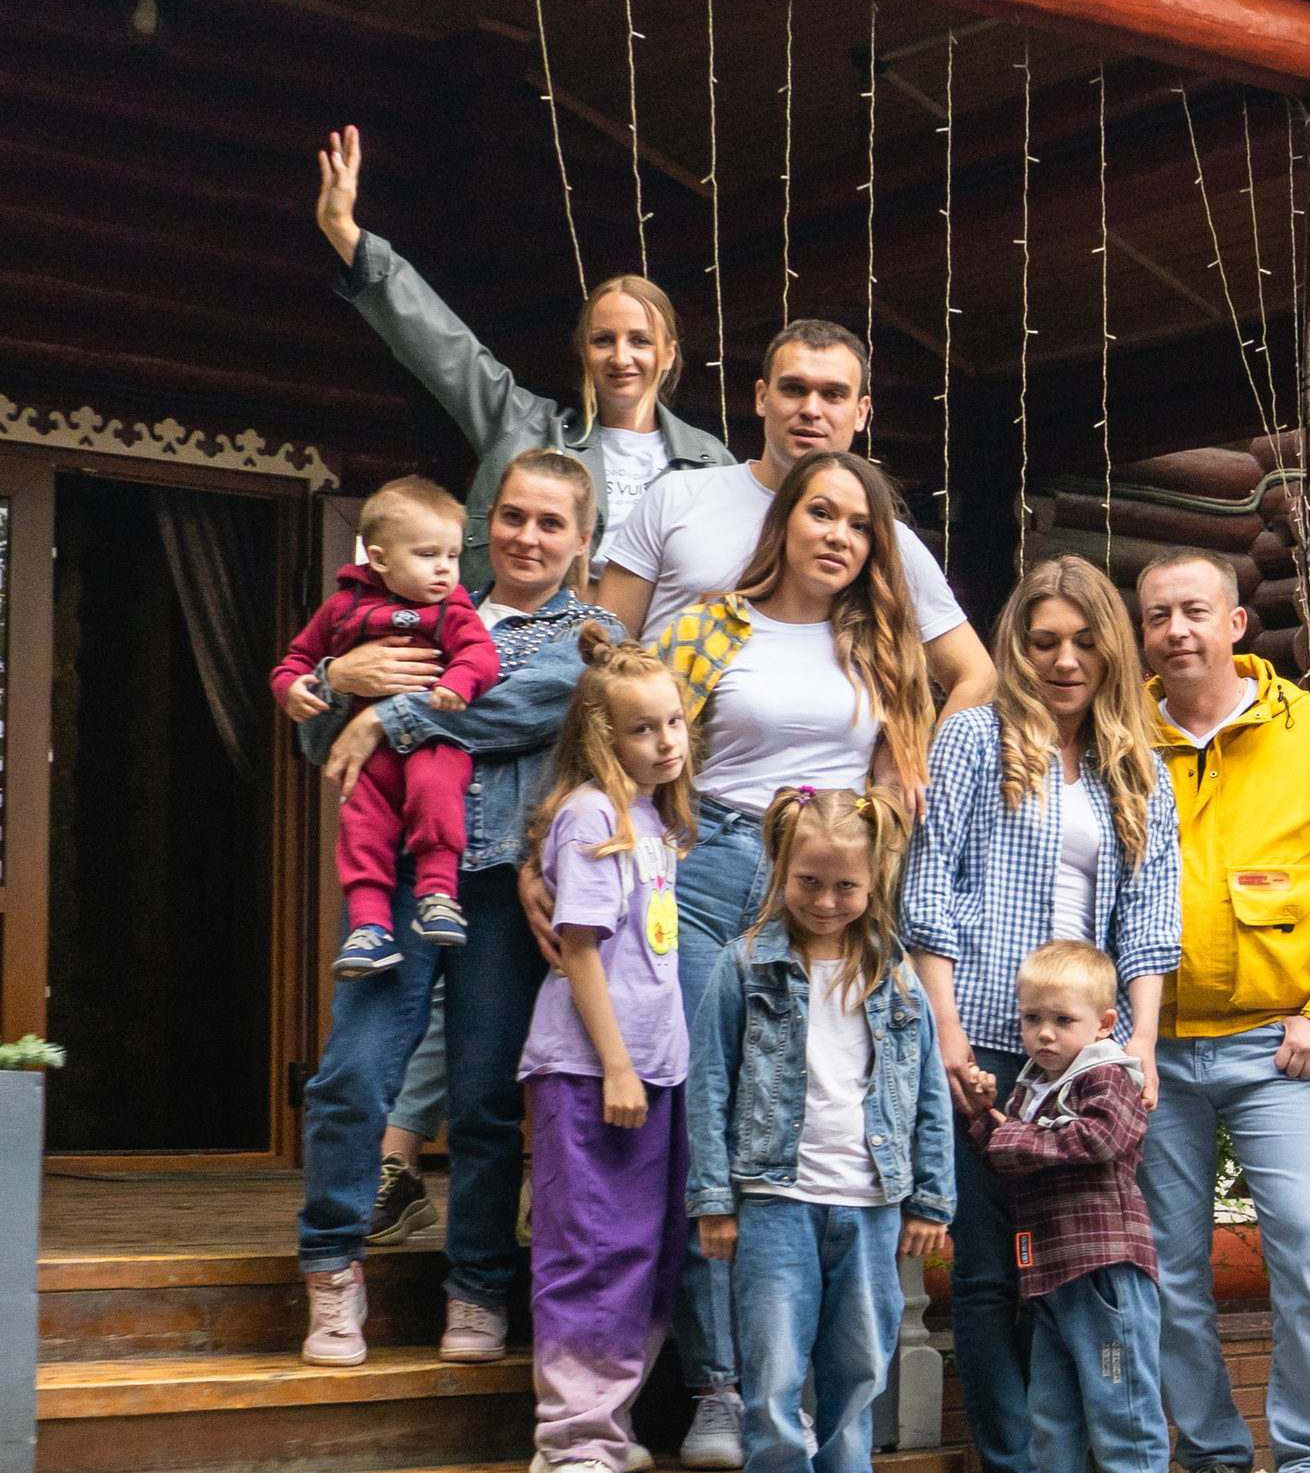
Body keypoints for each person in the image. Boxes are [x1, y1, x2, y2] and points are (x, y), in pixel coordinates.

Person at [292, 452, 621, 1366]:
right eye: (514, 517)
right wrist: (346, 682)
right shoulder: (420, 605)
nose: (527, 536)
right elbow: (322, 738)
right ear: (488, 523)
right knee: (352, 1075)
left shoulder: (588, 634)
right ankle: (330, 1266)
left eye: (551, 524)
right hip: (396, 877)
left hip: (507, 889)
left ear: (581, 541)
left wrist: (392, 714)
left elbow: (520, 708)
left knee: (483, 1099)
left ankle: (476, 1284)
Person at [647, 448, 939, 1468]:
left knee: (821, 1105)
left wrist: (883, 895)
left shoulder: (882, 646)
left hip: (831, 891)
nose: (838, 536)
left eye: (859, 526)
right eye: (822, 513)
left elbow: (902, 785)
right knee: (709, 1110)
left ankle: (814, 1392)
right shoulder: (706, 624)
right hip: (708, 865)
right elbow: (635, 755)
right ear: (786, 519)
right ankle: (720, 1386)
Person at [901, 555, 1180, 1473]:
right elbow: (928, 885)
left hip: (1090, 1050)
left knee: (1084, 1265)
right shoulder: (976, 737)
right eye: (1042, 639)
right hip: (984, 1031)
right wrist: (942, 1031)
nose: (1064, 660)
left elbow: (1151, 911)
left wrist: (1138, 1041)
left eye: (1083, 638)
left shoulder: (1134, 761)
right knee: (987, 1271)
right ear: (1016, 647)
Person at [1135, 550, 1310, 1473]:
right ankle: (1209, 1462)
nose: (1175, 631)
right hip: (1156, 1048)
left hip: (1277, 1043)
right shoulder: (1126, 736)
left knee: (1303, 1244)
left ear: (1238, 623)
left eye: (1194, 611)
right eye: (1157, 615)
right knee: (1168, 1268)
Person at [688, 787, 954, 1473]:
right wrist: (714, 1199)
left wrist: (931, 1199)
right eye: (809, 881)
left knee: (859, 1372)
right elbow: (709, 1086)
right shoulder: (744, 966)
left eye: (846, 886)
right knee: (772, 1376)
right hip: (774, 1201)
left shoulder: (898, 977)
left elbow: (929, 1094)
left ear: (875, 880)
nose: (827, 901)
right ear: (780, 869)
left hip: (870, 1204)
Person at [315, 124, 733, 589]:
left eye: (640, 341)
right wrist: (344, 233)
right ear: (583, 352)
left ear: (670, 354)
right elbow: (443, 347)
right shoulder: (527, 427)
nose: (621, 357)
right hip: (519, 647)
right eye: (603, 340)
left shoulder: (711, 462)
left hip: (654, 656)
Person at [517, 624, 696, 1473]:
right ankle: (577, 1436)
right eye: (643, 729)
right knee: (591, 1248)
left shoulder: (656, 820)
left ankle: (599, 1429)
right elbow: (581, 952)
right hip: (593, 1075)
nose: (666, 741)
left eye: (674, 723)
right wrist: (618, 1067)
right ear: (601, 737)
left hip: (654, 1074)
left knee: (646, 1252)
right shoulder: (594, 814)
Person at [595, 317, 993, 709]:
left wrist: (925, 769)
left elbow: (976, 676)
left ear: (861, 412)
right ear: (762, 397)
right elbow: (604, 650)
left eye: (834, 395)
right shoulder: (676, 496)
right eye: (794, 389)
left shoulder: (878, 537)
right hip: (668, 761)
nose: (811, 409)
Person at [965, 941, 1167, 1473]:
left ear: (1105, 1024)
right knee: (1051, 1409)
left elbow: (1099, 1139)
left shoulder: (1109, 1074)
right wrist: (982, 1117)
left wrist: (1010, 1135)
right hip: (1048, 1272)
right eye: (1031, 1019)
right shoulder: (1033, 1085)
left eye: (1063, 1020)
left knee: (1121, 1402)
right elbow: (1005, 1153)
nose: (1044, 1034)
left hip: (1103, 1268)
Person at [276, 478, 501, 978]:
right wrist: (293, 686)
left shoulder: (453, 608)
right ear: (379, 559)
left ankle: (438, 893)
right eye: (426, 555)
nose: (445, 568)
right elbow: (298, 658)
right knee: (360, 825)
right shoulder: (343, 607)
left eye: (451, 554)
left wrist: (461, 682)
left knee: (436, 789)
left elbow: (480, 655)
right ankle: (369, 928)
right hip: (370, 754)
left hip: (432, 740)